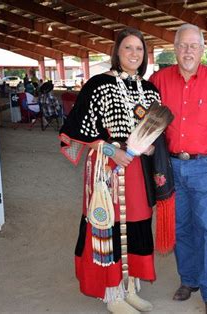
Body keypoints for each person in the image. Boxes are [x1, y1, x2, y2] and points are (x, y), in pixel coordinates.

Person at [59, 27, 174, 314]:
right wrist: (114, 151)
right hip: (106, 167)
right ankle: (112, 293)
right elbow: (74, 129)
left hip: (139, 171)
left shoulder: (149, 90)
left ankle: (130, 287)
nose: (134, 54)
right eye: (128, 48)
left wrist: (148, 147)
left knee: (136, 225)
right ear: (117, 52)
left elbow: (156, 130)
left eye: (139, 49)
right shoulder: (98, 84)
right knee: (107, 225)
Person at [150, 24, 207, 314]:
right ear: (174, 49)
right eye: (183, 46)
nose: (188, 51)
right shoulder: (159, 80)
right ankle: (188, 280)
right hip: (171, 166)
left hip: (204, 167)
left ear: (202, 49)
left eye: (193, 46)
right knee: (180, 229)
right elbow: (146, 121)